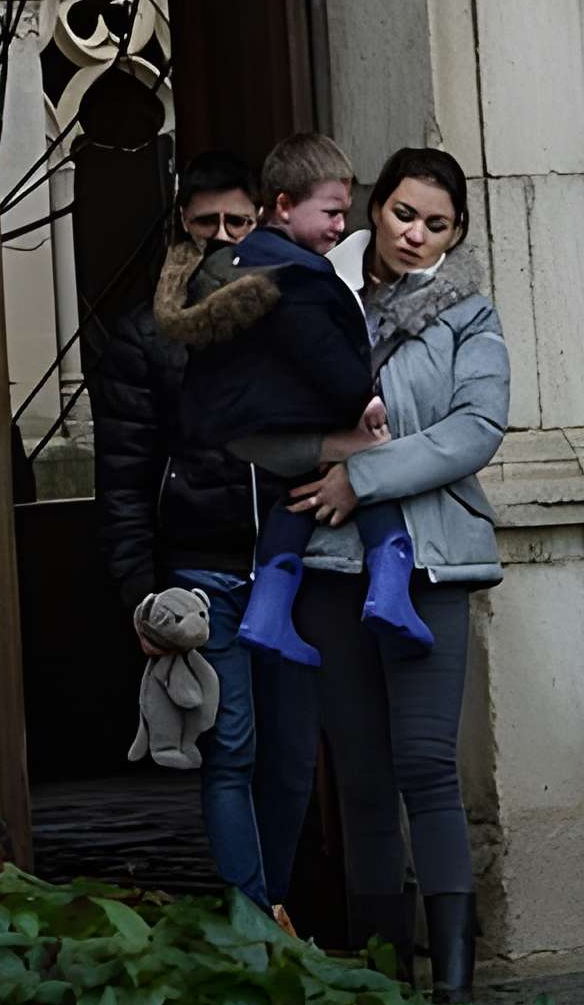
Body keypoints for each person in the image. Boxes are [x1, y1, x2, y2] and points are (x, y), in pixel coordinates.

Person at [250, 145, 509, 1001]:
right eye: (404, 214)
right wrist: (327, 460)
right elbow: (265, 411)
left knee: (428, 765)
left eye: (437, 224)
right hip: (329, 565)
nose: (416, 234)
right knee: (359, 775)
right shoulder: (317, 295)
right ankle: (384, 979)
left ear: (457, 231)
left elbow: (476, 429)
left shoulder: (470, 315)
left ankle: (457, 985)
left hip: (434, 562)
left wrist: (361, 476)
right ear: (374, 209)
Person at [152, 134, 430, 664]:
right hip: (287, 428)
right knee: (371, 452)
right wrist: (362, 401)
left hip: (243, 435)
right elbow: (335, 370)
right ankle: (391, 581)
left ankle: (269, 611)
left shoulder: (229, 267)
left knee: (301, 492)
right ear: (282, 205)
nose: (339, 227)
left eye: (344, 213)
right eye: (330, 212)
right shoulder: (301, 278)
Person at [86, 151, 272, 908]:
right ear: (181, 229)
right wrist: (140, 592)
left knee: (292, 758)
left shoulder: (292, 314)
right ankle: (254, 929)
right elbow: (124, 476)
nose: (222, 236)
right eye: (206, 223)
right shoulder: (144, 337)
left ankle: (286, 910)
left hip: (295, 557)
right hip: (201, 570)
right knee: (230, 750)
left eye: (238, 220)